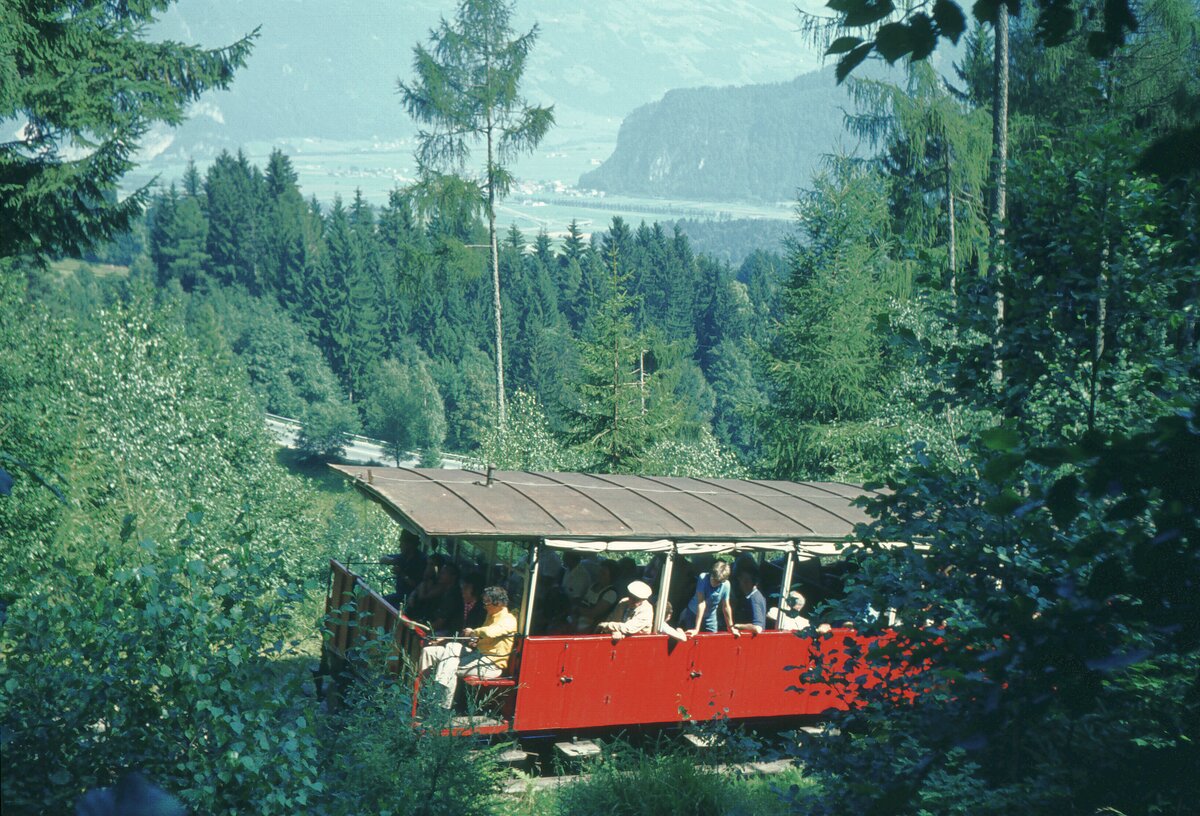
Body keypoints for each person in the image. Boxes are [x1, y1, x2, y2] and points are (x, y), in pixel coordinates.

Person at [418, 586, 516, 709]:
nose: (484, 606)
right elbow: (485, 639)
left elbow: (490, 632)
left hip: (490, 664)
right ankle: (424, 694)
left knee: (450, 665)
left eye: (487, 602)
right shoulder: (491, 615)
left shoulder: (509, 620)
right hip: (477, 655)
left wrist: (473, 632)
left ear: (498, 604)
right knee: (432, 651)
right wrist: (475, 641)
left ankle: (441, 707)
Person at [681, 559, 738, 638]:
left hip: (710, 617)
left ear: (723, 581)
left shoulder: (726, 585)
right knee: (691, 638)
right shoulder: (703, 578)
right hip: (693, 614)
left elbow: (726, 606)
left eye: (717, 582)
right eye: (713, 579)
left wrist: (731, 627)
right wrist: (696, 629)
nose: (714, 583)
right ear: (711, 574)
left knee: (713, 639)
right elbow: (701, 603)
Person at [382, 530, 426, 607]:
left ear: (410, 544)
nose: (399, 546)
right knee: (380, 602)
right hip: (399, 595)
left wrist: (401, 574)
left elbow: (417, 585)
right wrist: (393, 561)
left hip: (411, 600)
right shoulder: (402, 557)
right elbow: (383, 558)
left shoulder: (421, 560)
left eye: (402, 543)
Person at [573, 559, 619, 631]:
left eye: (603, 573)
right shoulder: (594, 585)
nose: (600, 575)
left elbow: (593, 613)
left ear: (612, 576)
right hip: (578, 619)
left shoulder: (611, 593)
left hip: (591, 627)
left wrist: (577, 610)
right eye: (600, 571)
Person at [731, 566, 767, 634]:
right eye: (741, 580)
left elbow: (758, 628)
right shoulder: (755, 596)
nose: (742, 584)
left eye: (746, 581)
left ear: (754, 582)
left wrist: (738, 626)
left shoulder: (754, 598)